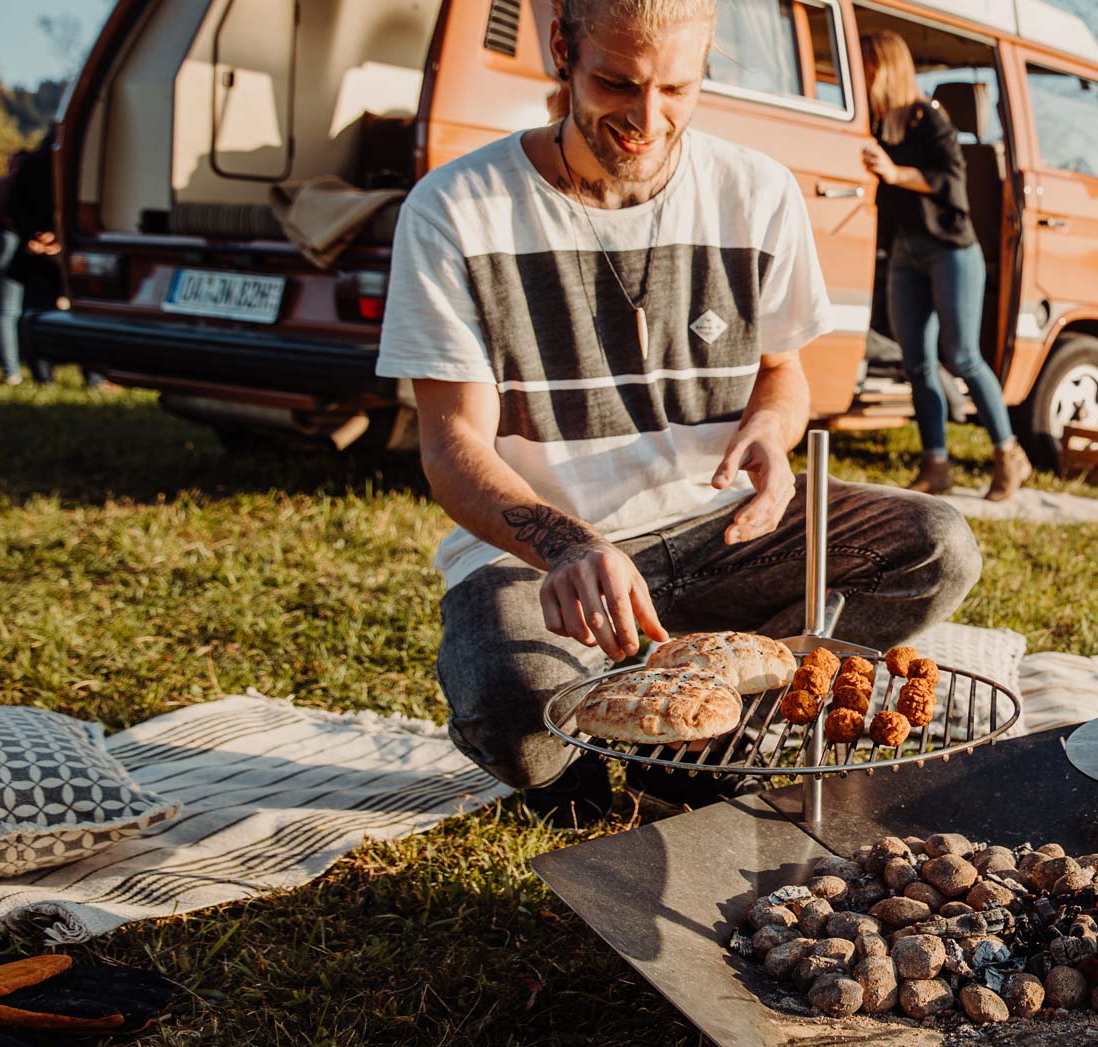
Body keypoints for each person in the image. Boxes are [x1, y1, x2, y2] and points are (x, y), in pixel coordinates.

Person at [377, 0, 981, 824]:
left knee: (938, 547)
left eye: (677, 89)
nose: (647, 119)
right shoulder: (456, 209)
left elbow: (783, 373)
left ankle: (709, 742)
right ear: (562, 48)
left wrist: (771, 431)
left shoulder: (756, 190)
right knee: (515, 714)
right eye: (616, 83)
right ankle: (574, 778)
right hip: (539, 552)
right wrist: (571, 546)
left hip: (720, 532)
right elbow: (450, 446)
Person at [859, 29, 1031, 501]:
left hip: (951, 250)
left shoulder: (930, 118)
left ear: (887, 68)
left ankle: (1008, 452)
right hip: (904, 254)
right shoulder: (880, 126)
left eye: (869, 68)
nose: (863, 77)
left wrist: (894, 174)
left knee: (962, 357)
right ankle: (935, 465)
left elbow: (951, 182)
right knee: (917, 362)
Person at [0, 144, 58, 386]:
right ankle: (12, 371)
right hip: (5, 232)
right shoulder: (41, 166)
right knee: (9, 306)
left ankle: (19, 370)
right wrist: (37, 236)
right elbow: (21, 208)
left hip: (0, 231)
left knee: (13, 305)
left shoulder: (29, 163)